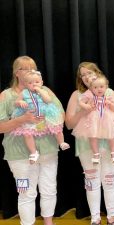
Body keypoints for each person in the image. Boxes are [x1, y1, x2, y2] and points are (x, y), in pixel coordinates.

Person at [0, 56, 62, 225]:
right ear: (16, 73)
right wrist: (21, 119)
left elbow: (60, 115)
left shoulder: (45, 91)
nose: (30, 72)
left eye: (33, 68)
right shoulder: (7, 95)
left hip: (48, 150)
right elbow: (1, 126)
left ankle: (49, 222)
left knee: (49, 189)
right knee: (26, 192)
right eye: (25, 69)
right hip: (19, 154)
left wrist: (47, 116)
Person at [65, 62, 114, 225]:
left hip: (111, 144)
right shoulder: (77, 95)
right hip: (87, 145)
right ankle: (95, 217)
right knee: (92, 182)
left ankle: (111, 216)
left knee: (110, 180)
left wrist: (109, 108)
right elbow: (69, 124)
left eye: (89, 73)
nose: (86, 77)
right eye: (82, 75)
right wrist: (83, 111)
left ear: (97, 73)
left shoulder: (109, 92)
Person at [11, 70, 70, 164]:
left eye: (37, 82)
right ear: (26, 84)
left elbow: (48, 100)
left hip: (45, 115)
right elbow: (16, 102)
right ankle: (33, 152)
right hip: (31, 116)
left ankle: (61, 142)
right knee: (27, 134)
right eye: (30, 83)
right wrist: (20, 102)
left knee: (56, 128)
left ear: (42, 82)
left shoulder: (44, 91)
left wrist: (40, 90)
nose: (34, 84)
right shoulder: (24, 92)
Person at [71, 74, 114, 164]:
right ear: (91, 89)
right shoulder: (90, 97)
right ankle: (95, 154)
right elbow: (80, 102)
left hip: (107, 118)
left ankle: (113, 152)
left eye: (101, 87)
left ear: (106, 87)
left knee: (111, 136)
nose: (99, 89)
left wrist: (110, 104)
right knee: (92, 136)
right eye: (95, 87)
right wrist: (87, 106)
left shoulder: (108, 97)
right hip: (94, 119)